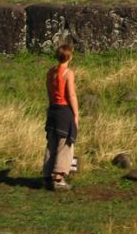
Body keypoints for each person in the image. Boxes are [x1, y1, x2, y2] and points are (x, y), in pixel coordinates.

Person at [43, 43, 79, 190]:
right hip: (64, 110)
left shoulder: (50, 72)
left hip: (53, 109)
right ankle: (58, 177)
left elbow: (49, 93)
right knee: (65, 144)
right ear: (69, 56)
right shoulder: (68, 73)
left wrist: (52, 106)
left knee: (51, 143)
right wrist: (76, 114)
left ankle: (47, 176)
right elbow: (70, 94)